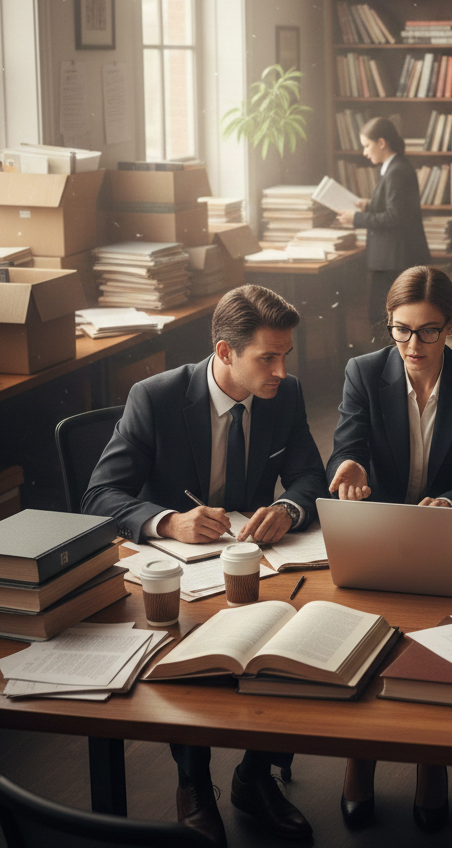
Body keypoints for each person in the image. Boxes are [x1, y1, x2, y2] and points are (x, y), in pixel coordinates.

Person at [82, 285, 328, 846]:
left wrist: (288, 509)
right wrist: (168, 520)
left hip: (255, 564)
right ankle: (193, 784)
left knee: (297, 634)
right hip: (177, 572)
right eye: (268, 357)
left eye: (286, 355)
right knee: (192, 643)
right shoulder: (155, 397)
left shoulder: (283, 393)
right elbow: (99, 495)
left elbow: (309, 477)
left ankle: (253, 776)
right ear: (224, 352)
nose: (282, 370)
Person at [327, 265, 452, 833]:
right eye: (401, 330)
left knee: (437, 637)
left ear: (451, 326)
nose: (412, 345)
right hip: (377, 529)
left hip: (441, 532)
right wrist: (348, 465)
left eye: (427, 331)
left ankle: (431, 760)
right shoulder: (364, 371)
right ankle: (360, 757)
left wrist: (449, 502)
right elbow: (347, 446)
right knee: (365, 634)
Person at [335, 116, 431, 331]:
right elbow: (397, 208)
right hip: (391, 258)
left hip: (394, 260)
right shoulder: (394, 167)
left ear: (381, 142)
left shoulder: (397, 171)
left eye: (366, 145)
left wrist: (356, 218)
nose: (364, 152)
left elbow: (395, 217)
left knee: (386, 320)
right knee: (386, 319)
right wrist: (369, 205)